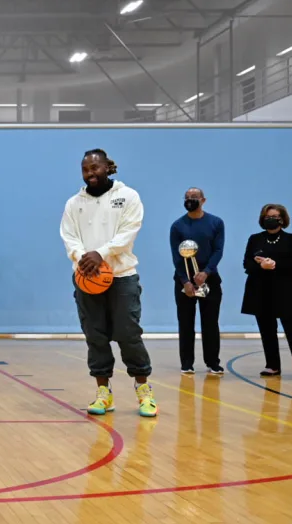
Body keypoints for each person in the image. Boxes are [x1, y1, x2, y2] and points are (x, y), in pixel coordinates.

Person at [60, 149, 157, 418]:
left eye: (95, 168)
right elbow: (69, 237)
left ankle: (144, 390)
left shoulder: (128, 196)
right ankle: (104, 393)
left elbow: (128, 233)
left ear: (108, 168)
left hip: (121, 276)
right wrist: (83, 258)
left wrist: (100, 254)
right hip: (87, 278)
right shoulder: (73, 203)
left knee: (128, 334)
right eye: (85, 169)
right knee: (95, 335)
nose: (91, 173)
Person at [241, 204, 292, 381]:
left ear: (282, 219)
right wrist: (260, 265)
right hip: (261, 290)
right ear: (262, 219)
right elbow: (247, 263)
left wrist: (274, 264)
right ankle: (272, 365)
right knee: (267, 330)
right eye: (268, 216)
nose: (271, 219)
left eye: (275, 216)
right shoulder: (255, 239)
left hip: (285, 291)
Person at [169, 187, 225, 375]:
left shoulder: (216, 223)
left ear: (203, 200)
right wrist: (185, 281)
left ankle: (213, 363)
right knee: (186, 323)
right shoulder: (177, 226)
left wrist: (206, 272)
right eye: (187, 198)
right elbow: (176, 257)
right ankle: (187, 363)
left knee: (210, 322)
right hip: (184, 282)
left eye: (194, 197)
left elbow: (218, 250)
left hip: (210, 280)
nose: (190, 200)